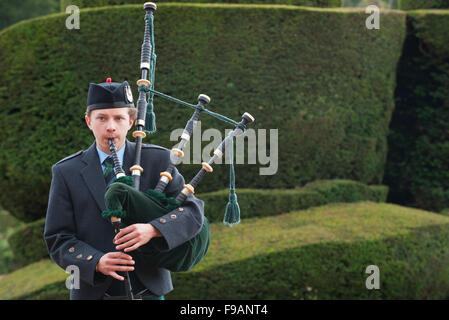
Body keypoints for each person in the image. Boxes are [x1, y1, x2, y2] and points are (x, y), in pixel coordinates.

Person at [44, 79, 205, 300]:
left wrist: (153, 229)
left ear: (130, 121)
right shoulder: (66, 171)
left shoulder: (157, 160)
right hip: (92, 293)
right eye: (101, 118)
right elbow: (58, 237)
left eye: (118, 118)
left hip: (149, 290)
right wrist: (96, 261)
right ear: (88, 121)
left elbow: (193, 212)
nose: (110, 126)